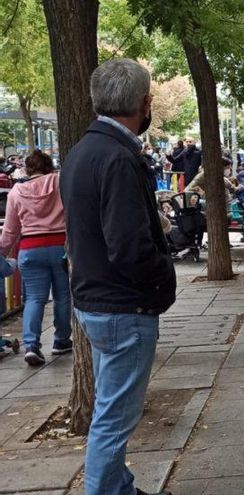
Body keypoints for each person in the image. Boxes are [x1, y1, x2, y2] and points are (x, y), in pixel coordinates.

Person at [59, 58, 175, 495]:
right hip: (123, 306)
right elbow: (130, 246)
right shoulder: (117, 158)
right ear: (144, 103)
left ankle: (117, 485)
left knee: (112, 408)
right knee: (114, 415)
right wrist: (162, 278)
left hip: (97, 301)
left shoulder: (83, 151)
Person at [0, 150, 71, 366]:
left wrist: (2, 252)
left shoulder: (16, 191)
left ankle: (31, 345)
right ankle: (61, 341)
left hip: (30, 248)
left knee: (34, 298)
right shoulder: (60, 183)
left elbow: (11, 230)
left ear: (28, 168)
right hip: (60, 245)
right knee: (62, 296)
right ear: (49, 166)